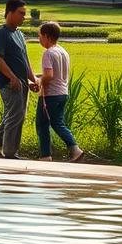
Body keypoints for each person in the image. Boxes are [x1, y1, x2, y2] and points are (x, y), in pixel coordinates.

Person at [0, 0, 38, 159]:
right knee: (15, 114)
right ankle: (10, 153)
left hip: (22, 82)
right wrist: (12, 77)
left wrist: (32, 79)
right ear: (9, 13)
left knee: (17, 114)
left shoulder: (19, 34)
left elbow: (25, 59)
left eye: (25, 14)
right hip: (9, 83)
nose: (24, 17)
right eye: (21, 13)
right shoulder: (0, 34)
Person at [34, 21, 83, 162]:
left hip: (51, 94)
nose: (39, 39)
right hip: (63, 92)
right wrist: (38, 77)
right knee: (57, 122)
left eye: (40, 36)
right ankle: (72, 150)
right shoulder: (62, 51)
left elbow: (49, 75)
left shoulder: (48, 53)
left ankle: (47, 155)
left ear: (47, 36)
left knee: (42, 124)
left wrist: (39, 82)